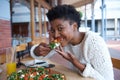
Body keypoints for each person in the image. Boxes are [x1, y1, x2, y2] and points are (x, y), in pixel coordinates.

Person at [30, 5, 114, 80]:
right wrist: (37, 51)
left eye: (60, 29)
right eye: (53, 30)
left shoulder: (94, 42)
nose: (55, 35)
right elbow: (41, 55)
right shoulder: (63, 40)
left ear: (74, 26)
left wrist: (77, 64)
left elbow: (107, 78)